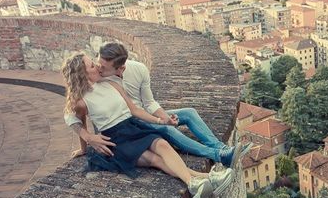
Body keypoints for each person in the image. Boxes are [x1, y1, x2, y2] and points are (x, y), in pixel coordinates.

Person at [62, 52, 233, 198]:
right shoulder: (81, 101)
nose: (97, 65)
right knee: (155, 160)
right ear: (82, 74)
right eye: (92, 65)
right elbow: (74, 120)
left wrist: (161, 121)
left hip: (132, 126)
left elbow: (135, 110)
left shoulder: (111, 84)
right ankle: (202, 180)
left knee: (162, 144)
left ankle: (199, 182)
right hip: (116, 140)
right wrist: (86, 142)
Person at [97, 42, 249, 167]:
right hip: (127, 123)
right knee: (165, 128)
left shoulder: (139, 69)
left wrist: (165, 117)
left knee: (189, 113)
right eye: (99, 63)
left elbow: (149, 102)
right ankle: (219, 156)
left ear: (120, 68)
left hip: (144, 114)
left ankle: (222, 148)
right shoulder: (99, 78)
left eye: (104, 67)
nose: (99, 68)